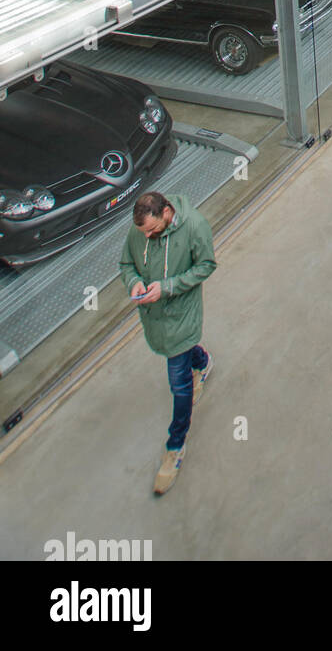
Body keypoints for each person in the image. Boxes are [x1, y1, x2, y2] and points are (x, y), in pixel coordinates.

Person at [120, 191, 217, 496]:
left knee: (179, 384)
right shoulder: (140, 230)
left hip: (180, 317)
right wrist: (133, 281)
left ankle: (175, 445)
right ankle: (202, 362)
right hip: (156, 320)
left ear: (166, 213)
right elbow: (126, 263)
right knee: (185, 355)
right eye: (142, 232)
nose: (146, 236)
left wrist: (168, 287)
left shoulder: (195, 226)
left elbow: (206, 266)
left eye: (150, 231)